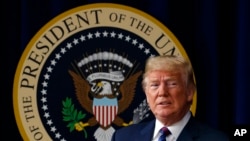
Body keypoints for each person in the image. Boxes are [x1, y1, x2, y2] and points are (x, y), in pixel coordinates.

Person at [111, 55, 229, 141]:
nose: (162, 92)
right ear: (147, 95)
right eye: (155, 85)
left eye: (172, 84)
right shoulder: (122, 137)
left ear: (189, 92)